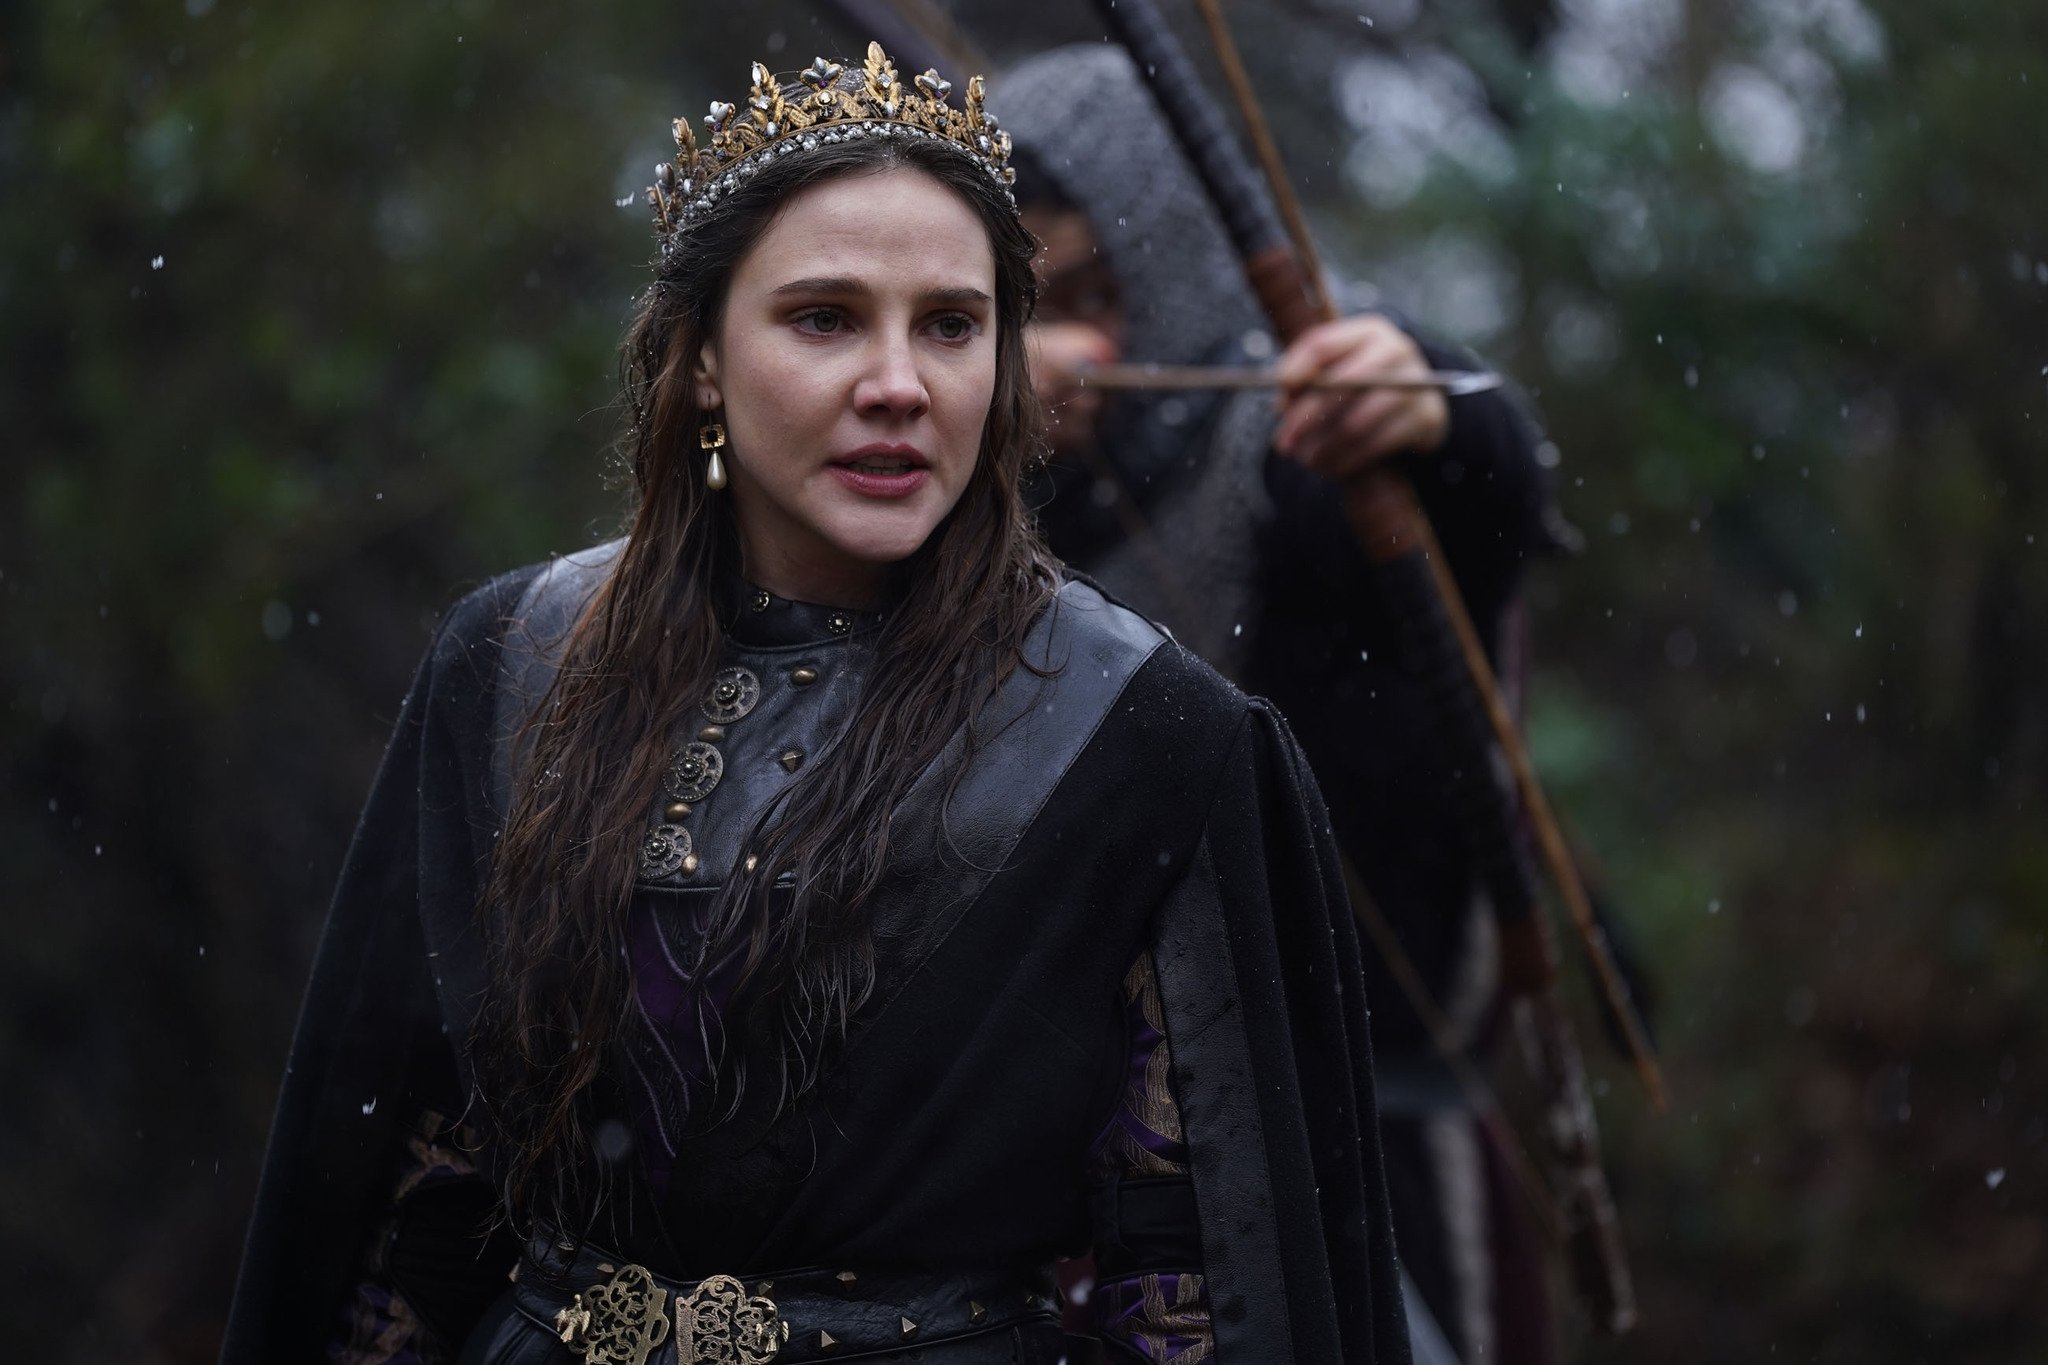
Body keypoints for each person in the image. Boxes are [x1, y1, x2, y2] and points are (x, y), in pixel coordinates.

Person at [221, 44, 1411, 1365]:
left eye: (951, 324)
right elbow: (402, 1201)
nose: (899, 382)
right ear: (700, 359)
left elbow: (1201, 1290)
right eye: (825, 318)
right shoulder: (512, 663)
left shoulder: (1143, 733)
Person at [996, 46, 1564, 1365]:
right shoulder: (979, 499)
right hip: (1070, 1179)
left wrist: (1426, 410)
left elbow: (1470, 472)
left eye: (1095, 292)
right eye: (1018, 305)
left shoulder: (1290, 448)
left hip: (1362, 1149)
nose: (1074, 348)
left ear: (1176, 268)